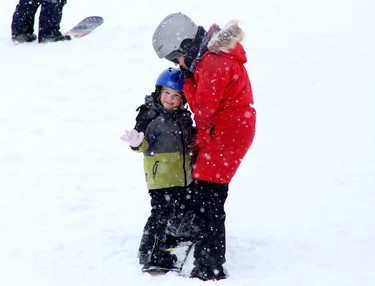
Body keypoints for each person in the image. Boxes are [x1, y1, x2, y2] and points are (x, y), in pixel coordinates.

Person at [152, 13, 257, 280]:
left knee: (209, 197)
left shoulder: (213, 63)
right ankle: (200, 242)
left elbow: (204, 110)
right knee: (202, 191)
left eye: (177, 58)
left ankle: (210, 267)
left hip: (228, 132)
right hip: (227, 129)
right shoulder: (212, 59)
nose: (179, 64)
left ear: (185, 46)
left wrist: (187, 83)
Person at [120, 67, 196, 271]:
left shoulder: (184, 117)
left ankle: (175, 234)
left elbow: (189, 140)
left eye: (177, 95)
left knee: (183, 207)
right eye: (167, 93)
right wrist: (136, 142)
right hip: (161, 177)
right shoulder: (150, 116)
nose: (171, 99)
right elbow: (141, 143)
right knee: (161, 213)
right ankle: (150, 252)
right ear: (158, 92)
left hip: (183, 175)